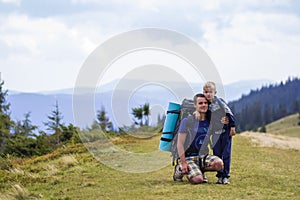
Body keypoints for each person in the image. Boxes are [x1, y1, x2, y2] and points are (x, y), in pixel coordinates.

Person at [173, 93, 223, 184]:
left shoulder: (210, 120)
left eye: (205, 103)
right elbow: (179, 143)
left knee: (219, 164)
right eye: (200, 103)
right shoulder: (187, 121)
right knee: (198, 180)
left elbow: (222, 110)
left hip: (203, 156)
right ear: (195, 105)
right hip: (188, 157)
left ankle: (200, 170)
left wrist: (231, 124)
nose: (204, 105)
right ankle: (180, 168)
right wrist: (184, 163)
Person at [202, 81, 236, 184]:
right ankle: (219, 176)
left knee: (226, 153)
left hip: (225, 132)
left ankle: (225, 176)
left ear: (215, 92)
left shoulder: (219, 102)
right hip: (215, 134)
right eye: (206, 92)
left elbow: (228, 113)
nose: (208, 94)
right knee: (217, 154)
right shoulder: (205, 104)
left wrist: (232, 126)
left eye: (210, 92)